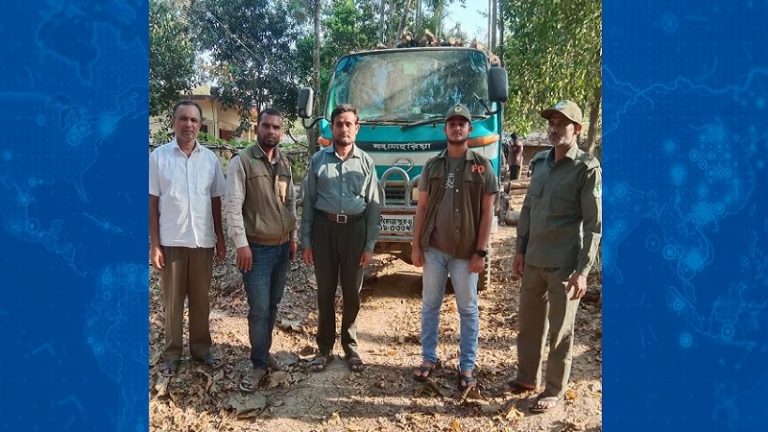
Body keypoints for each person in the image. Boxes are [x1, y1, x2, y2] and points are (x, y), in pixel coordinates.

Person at [508, 100, 602, 413]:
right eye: (552, 122)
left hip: (564, 265)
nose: (555, 128)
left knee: (561, 331)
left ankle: (553, 389)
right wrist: (520, 251)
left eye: (562, 123)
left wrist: (583, 271)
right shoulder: (539, 164)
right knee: (529, 325)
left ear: (577, 129)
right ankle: (526, 378)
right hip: (534, 260)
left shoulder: (586, 168)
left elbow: (594, 225)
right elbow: (528, 210)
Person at [410, 103, 498, 390]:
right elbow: (422, 208)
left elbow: (487, 212)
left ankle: (467, 365)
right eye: (452, 123)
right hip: (434, 249)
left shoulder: (482, 166)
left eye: (462, 123)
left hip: (466, 253)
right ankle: (428, 358)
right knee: (430, 305)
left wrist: (481, 252)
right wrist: (416, 246)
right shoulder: (432, 165)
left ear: (469, 129)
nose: (457, 127)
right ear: (445, 129)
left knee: (468, 309)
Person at [301, 104, 381, 373]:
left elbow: (374, 206)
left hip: (354, 232)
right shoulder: (318, 160)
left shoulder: (366, 162)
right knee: (325, 292)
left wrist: (369, 244)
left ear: (357, 128)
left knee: (352, 293)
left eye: (349, 124)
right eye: (339, 124)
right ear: (332, 128)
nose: (343, 128)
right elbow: (308, 202)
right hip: (324, 231)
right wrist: (307, 241)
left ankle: (350, 346)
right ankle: (324, 348)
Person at [149, 100, 226, 376]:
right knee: (172, 302)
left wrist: (220, 238)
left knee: (200, 300)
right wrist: (155, 245)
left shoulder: (210, 159)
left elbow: (215, 200)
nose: (188, 125)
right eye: (183, 119)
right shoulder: (158, 157)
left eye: (194, 120)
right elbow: (151, 203)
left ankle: (201, 349)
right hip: (172, 241)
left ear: (200, 125)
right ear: (174, 122)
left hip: (202, 242)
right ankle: (172, 353)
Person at [224, 108, 297, 392]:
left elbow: (290, 203)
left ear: (281, 132)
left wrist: (292, 237)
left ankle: (264, 352)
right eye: (266, 126)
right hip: (256, 249)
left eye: (276, 127)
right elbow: (233, 206)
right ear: (257, 128)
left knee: (273, 305)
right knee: (259, 308)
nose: (271, 131)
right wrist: (241, 244)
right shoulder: (242, 161)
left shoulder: (284, 162)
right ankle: (257, 365)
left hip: (282, 248)